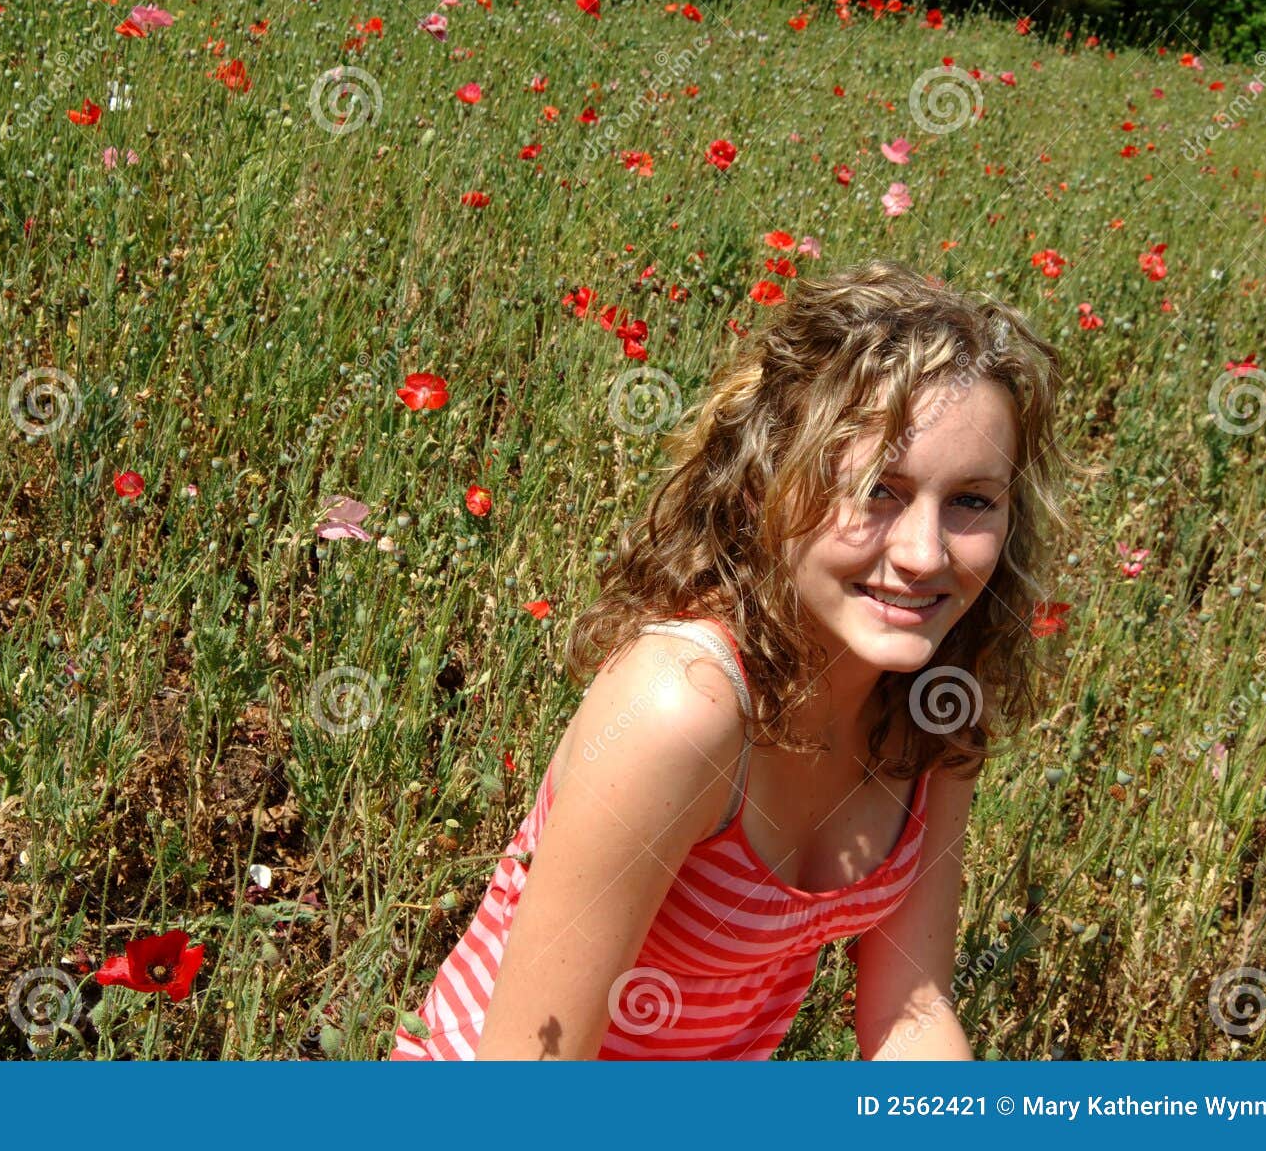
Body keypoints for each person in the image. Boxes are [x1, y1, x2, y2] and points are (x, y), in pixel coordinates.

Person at [390, 258, 1084, 1060]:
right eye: (872, 491)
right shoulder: (681, 707)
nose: (926, 553)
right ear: (764, 485)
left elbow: (911, 1009)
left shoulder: (939, 706)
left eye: (971, 500)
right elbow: (528, 1073)